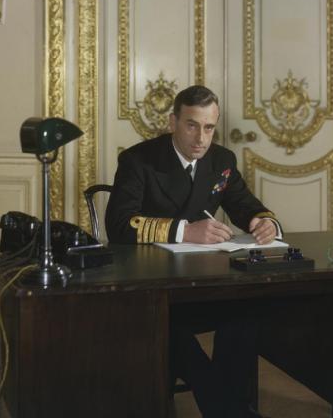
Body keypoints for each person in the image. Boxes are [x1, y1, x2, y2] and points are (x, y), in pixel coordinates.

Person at [106, 85, 282, 418]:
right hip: (150, 285)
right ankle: (227, 410)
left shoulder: (221, 160)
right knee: (168, 325)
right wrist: (186, 230)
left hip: (201, 281)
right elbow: (118, 224)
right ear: (173, 121)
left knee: (245, 314)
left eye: (209, 127)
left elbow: (244, 205)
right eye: (191, 125)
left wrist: (264, 222)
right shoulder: (138, 160)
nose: (200, 138)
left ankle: (225, 405)